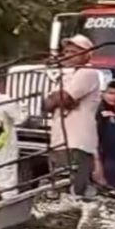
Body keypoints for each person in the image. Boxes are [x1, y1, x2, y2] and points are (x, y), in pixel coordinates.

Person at [44, 34, 102, 197]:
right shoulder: (65, 76)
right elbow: (47, 104)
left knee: (75, 187)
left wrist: (61, 99)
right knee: (60, 185)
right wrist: (60, 100)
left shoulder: (88, 73)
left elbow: (64, 98)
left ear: (86, 55)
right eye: (66, 51)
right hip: (60, 140)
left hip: (78, 142)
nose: (67, 54)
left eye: (73, 52)